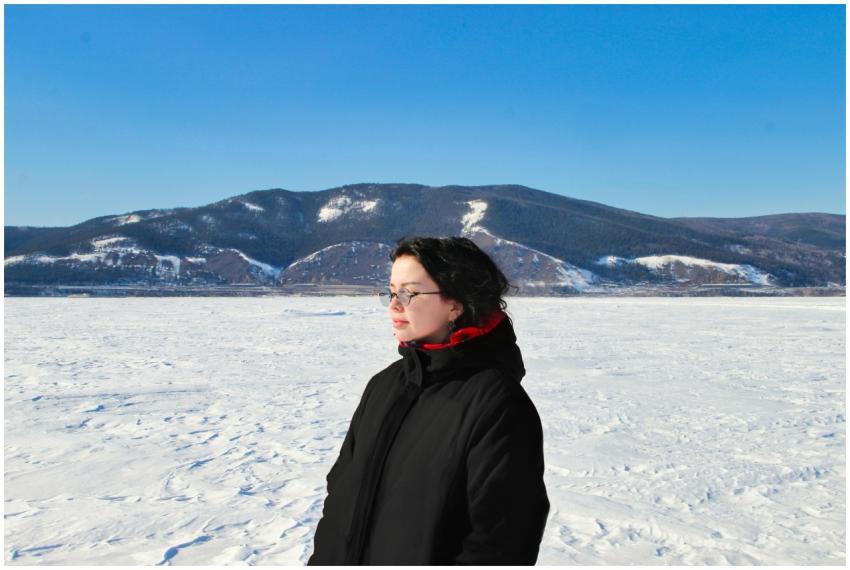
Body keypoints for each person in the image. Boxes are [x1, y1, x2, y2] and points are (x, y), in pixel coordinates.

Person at [307, 236, 550, 565]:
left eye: (409, 293)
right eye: (391, 292)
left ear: (456, 303)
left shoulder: (497, 405)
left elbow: (501, 544)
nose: (394, 305)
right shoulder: (384, 386)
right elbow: (340, 498)